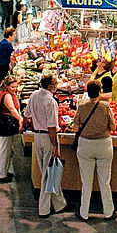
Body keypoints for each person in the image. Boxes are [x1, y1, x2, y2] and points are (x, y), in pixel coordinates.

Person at [71, 80, 117, 221]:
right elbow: (113, 127)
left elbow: (75, 128)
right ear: (99, 92)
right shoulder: (105, 106)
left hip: (85, 145)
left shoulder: (82, 106)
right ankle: (108, 212)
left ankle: (84, 213)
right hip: (103, 145)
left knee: (86, 182)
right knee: (104, 181)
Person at [23, 72, 68, 217]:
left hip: (37, 136)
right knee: (48, 174)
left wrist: (26, 126)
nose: (57, 86)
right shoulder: (51, 101)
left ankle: (59, 204)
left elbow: (27, 115)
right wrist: (55, 144)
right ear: (50, 86)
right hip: (48, 138)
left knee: (49, 171)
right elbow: (52, 126)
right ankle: (43, 209)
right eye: (55, 84)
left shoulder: (34, 95)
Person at [0, 74, 22, 183]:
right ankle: (0, 175)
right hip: (6, 124)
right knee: (5, 149)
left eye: (16, 87)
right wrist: (20, 119)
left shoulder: (4, 93)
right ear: (6, 86)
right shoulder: (6, 95)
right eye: (12, 87)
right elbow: (11, 109)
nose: (14, 89)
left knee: (7, 148)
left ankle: (4, 171)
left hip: (5, 124)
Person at [0, 27, 16, 92]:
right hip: (2, 66)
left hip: (0, 64)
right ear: (9, 35)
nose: (15, 36)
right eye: (14, 35)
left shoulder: (3, 42)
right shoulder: (6, 44)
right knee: (0, 83)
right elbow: (13, 53)